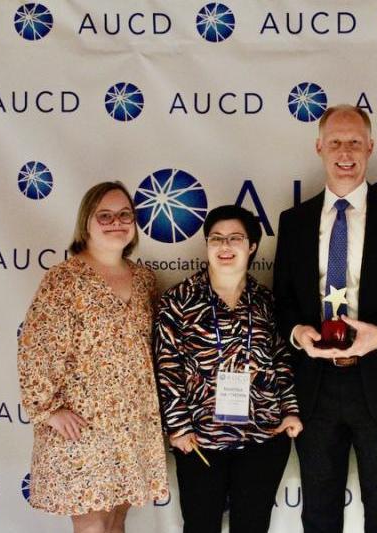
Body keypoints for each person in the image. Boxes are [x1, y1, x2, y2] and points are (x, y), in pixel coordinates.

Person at [273, 105, 377, 533]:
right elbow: (283, 299)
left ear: (371, 147)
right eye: (337, 142)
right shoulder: (294, 222)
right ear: (320, 147)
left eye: (355, 142)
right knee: (319, 515)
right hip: (315, 389)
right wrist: (297, 332)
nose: (346, 152)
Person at [18, 181, 169, 533]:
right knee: (92, 526)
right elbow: (35, 349)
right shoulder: (64, 280)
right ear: (86, 222)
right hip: (83, 424)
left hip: (131, 422)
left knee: (117, 519)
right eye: (105, 215)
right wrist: (48, 410)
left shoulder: (144, 279)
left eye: (124, 215)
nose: (116, 222)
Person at [154, 205, 302, 533]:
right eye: (216, 238)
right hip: (200, 440)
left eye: (235, 238)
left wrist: (290, 411)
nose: (225, 246)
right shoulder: (178, 300)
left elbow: (281, 360)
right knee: (200, 526)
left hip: (262, 437)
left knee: (252, 527)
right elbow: (167, 367)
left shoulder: (267, 302)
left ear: (251, 246)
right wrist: (178, 427)